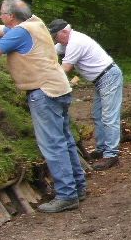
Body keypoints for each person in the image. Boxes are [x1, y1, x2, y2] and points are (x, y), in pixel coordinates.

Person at [0, 0, 86, 213]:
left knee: (53, 145)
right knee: (65, 140)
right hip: (59, 88)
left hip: (44, 92)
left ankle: (67, 196)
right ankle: (78, 187)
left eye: (2, 13)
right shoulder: (34, 24)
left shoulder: (18, 33)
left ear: (11, 16)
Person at [49, 19, 123, 170]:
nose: (55, 40)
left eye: (56, 37)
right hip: (101, 79)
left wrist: (46, 79)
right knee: (98, 114)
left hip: (108, 76)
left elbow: (65, 68)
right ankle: (102, 148)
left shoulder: (76, 42)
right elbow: (51, 50)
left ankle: (111, 154)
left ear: (64, 32)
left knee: (109, 116)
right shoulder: (67, 41)